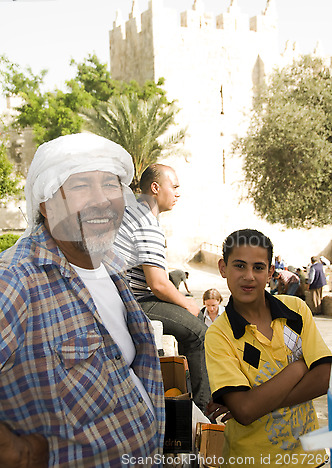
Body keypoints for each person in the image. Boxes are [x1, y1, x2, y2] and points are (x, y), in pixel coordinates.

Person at [0, 133, 165, 468]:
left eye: (110, 184)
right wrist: (18, 453)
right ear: (46, 204)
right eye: (80, 187)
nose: (101, 199)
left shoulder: (111, 264)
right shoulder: (16, 280)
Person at [205, 229, 332, 467]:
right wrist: (299, 368)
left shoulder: (296, 310)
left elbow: (325, 377)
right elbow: (243, 410)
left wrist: (258, 402)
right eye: (240, 266)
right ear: (223, 268)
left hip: (309, 458)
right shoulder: (219, 334)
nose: (249, 276)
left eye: (259, 267)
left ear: (271, 271)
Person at [113, 163, 210, 412]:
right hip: (132, 301)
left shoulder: (131, 209)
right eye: (174, 186)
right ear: (155, 188)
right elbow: (157, 284)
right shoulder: (147, 222)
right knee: (200, 333)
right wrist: (189, 303)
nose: (178, 193)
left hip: (120, 295)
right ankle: (202, 411)